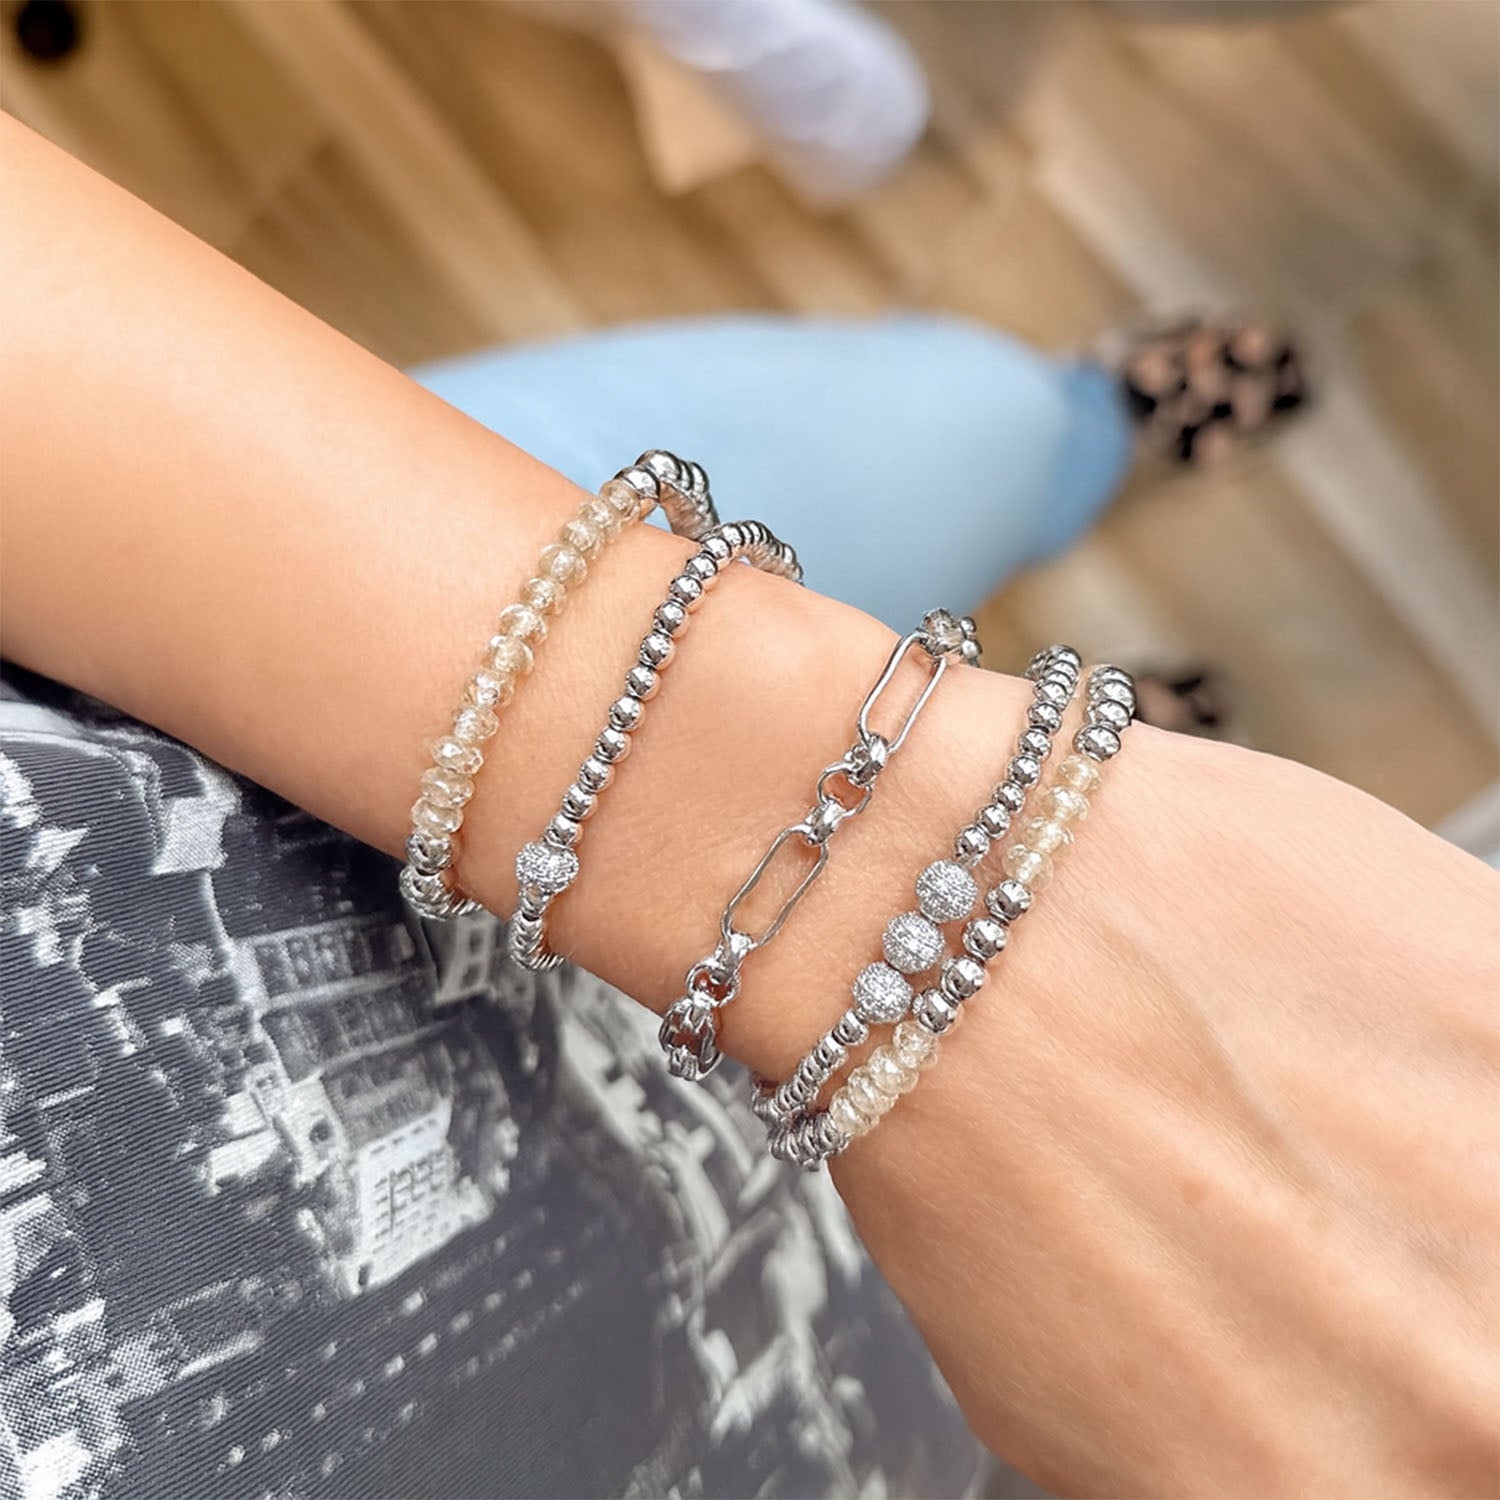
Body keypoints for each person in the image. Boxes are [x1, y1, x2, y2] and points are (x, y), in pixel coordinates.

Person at [1, 115, 1495, 1499]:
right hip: (953, 1402)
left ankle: (1090, 447)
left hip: (380, 659)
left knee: (965, 432)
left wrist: (951, 844)